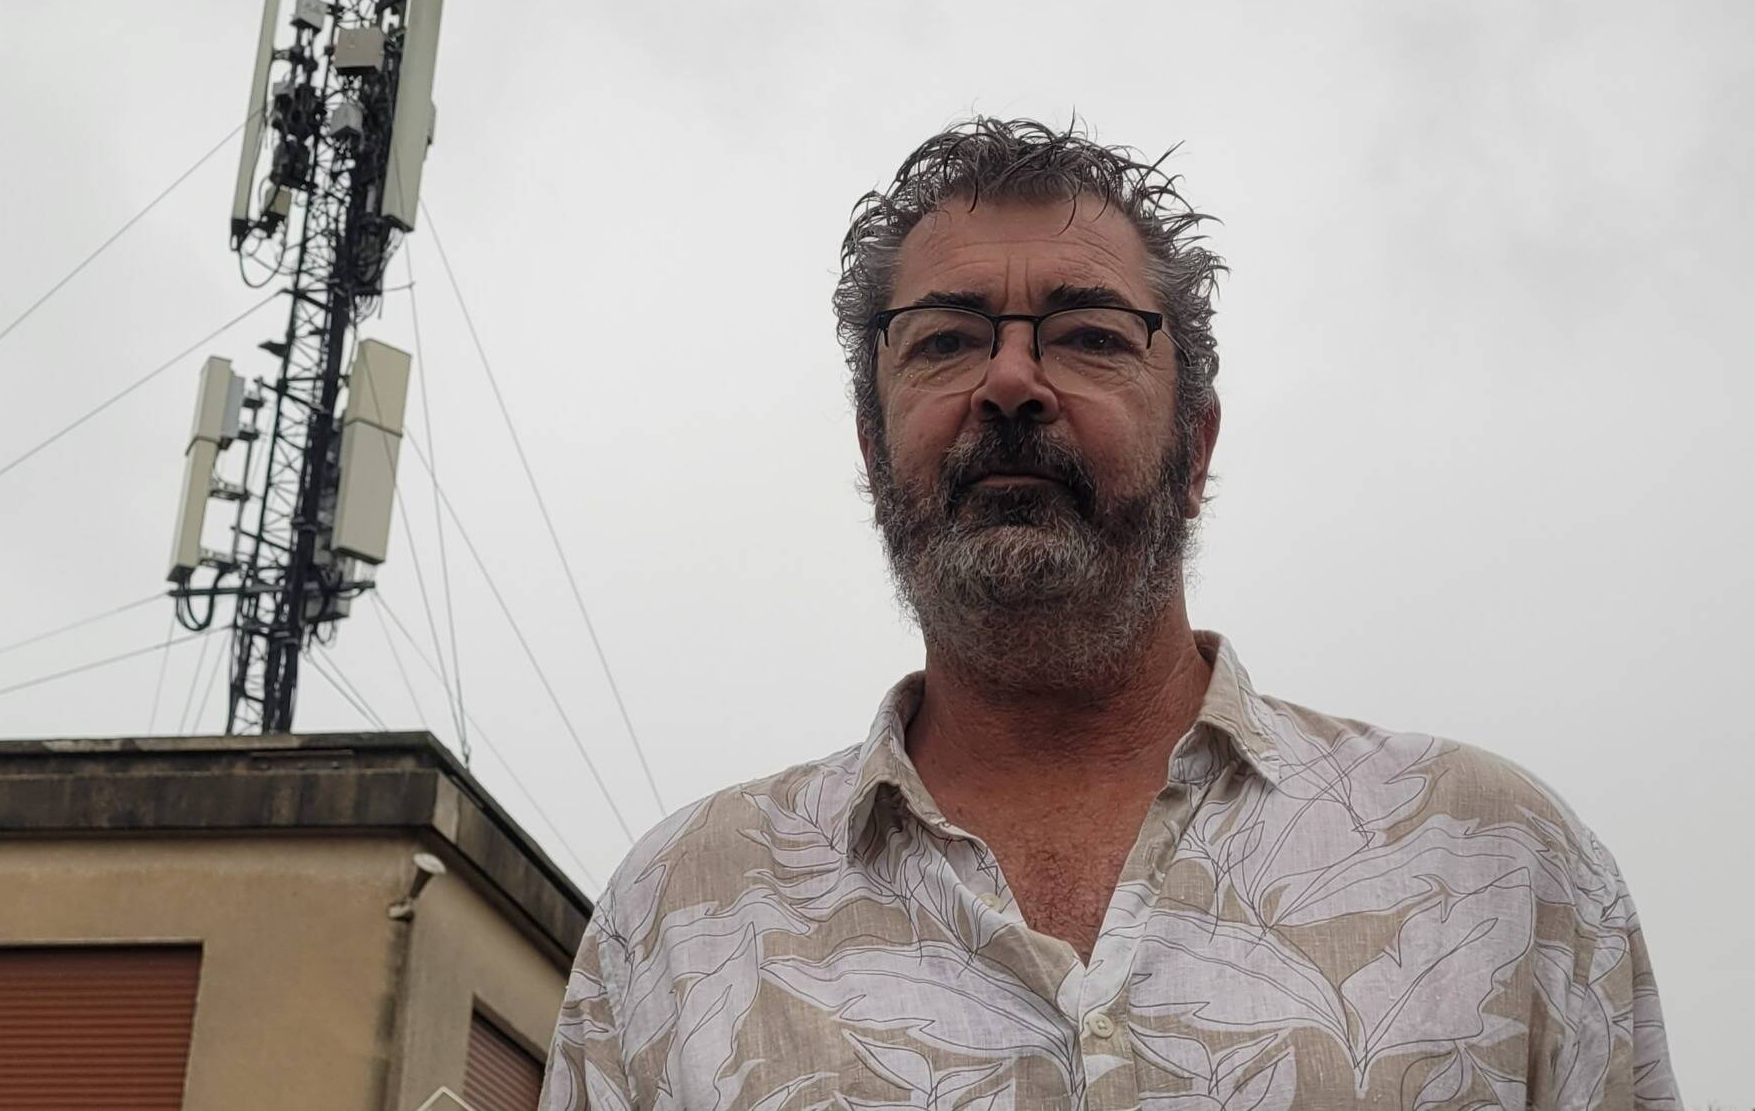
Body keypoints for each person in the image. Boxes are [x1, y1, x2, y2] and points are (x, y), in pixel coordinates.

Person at [538, 120, 1680, 1111]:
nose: (1010, 382)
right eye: (944, 339)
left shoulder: (1495, 866)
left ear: (1195, 444)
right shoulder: (678, 920)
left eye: (1087, 334)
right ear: (871, 446)